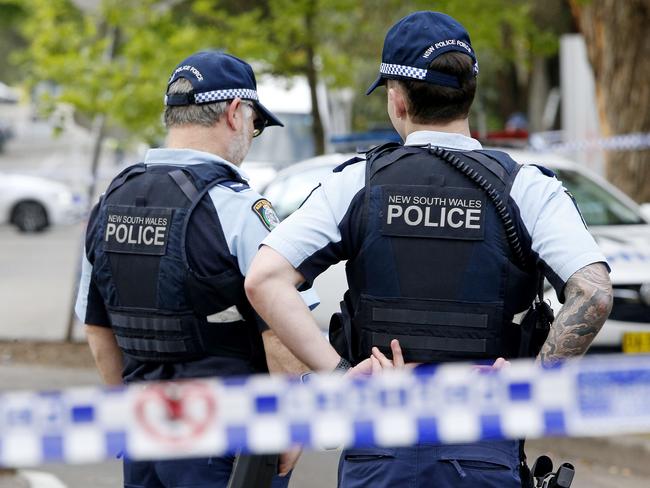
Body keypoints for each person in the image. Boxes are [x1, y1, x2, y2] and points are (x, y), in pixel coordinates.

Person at [244, 11, 613, 488]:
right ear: (469, 95)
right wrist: (533, 387)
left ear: (397, 99)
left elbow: (264, 279)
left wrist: (337, 374)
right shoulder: (528, 187)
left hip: (380, 439)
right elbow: (595, 294)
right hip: (482, 437)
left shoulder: (356, 182)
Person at [75, 50, 310, 488]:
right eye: (257, 124)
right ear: (236, 113)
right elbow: (281, 330)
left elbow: (96, 327)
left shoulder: (110, 203)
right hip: (224, 436)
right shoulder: (239, 208)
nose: (253, 135)